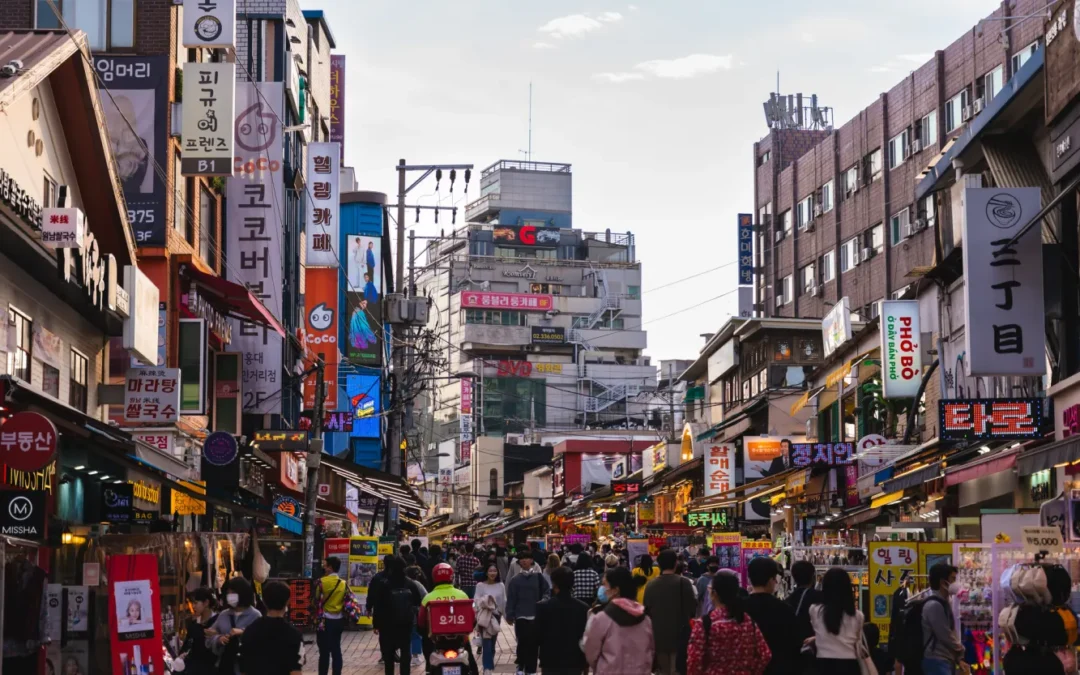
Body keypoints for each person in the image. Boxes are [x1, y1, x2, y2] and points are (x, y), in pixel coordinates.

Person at [686, 571, 771, 675]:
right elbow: (765, 655)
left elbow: (694, 661)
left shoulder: (705, 624)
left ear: (714, 593)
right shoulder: (747, 620)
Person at [583, 566, 654, 675]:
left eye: (604, 584)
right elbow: (650, 652)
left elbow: (591, 653)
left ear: (615, 590)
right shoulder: (645, 619)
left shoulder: (601, 619)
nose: (602, 588)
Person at [742, 556, 801, 675]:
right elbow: (794, 645)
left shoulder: (739, 608)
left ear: (749, 579)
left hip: (747, 668)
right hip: (778, 668)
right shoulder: (785, 609)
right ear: (771, 580)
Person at [644, 549, 698, 675]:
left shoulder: (651, 585)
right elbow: (692, 608)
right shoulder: (683, 582)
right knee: (677, 670)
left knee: (663, 671)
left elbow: (647, 611)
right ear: (675, 564)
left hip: (659, 636)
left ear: (659, 565)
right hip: (680, 635)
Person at [370, 556, 424, 675]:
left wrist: (376, 624)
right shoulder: (410, 583)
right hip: (405, 624)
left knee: (388, 655)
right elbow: (418, 602)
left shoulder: (384, 584)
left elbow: (378, 605)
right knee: (405, 652)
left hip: (387, 625)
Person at [237, 580, 302, 675]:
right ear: (288, 601)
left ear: (263, 601)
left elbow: (243, 669)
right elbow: (296, 671)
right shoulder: (294, 635)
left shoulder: (249, 631)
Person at [808, 567, 864, 674]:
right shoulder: (858, 616)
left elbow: (822, 630)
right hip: (850, 666)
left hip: (824, 665)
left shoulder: (815, 610)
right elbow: (857, 640)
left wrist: (816, 638)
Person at [535, 566, 589, 675]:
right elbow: (585, 637)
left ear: (554, 583)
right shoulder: (583, 608)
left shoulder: (543, 607)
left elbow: (537, 636)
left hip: (550, 660)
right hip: (574, 660)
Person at [506, 550, 551, 675]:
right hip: (521, 616)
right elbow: (511, 598)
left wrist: (544, 600)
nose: (524, 560)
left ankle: (531, 669)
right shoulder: (515, 580)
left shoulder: (539, 577)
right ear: (519, 562)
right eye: (522, 559)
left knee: (534, 644)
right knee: (522, 642)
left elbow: (547, 592)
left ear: (532, 561)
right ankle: (520, 666)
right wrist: (509, 614)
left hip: (535, 615)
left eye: (527, 558)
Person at [209, 577, 262, 675]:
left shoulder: (255, 615)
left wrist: (243, 632)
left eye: (233, 594)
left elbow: (261, 639)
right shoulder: (224, 615)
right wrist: (218, 639)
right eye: (228, 593)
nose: (230, 596)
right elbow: (209, 635)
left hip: (246, 669)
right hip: (224, 666)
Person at [922, 563, 964, 675]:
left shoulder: (944, 602)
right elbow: (945, 634)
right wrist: (960, 649)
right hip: (936, 659)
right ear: (943, 582)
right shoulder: (934, 605)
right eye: (953, 579)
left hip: (944, 659)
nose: (956, 583)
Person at [314, 557, 347, 675]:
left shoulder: (321, 582)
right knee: (336, 650)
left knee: (324, 652)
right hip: (338, 620)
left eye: (325, 565)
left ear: (330, 567)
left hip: (324, 621)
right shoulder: (343, 583)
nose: (324, 567)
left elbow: (317, 598)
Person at [176, 588, 218, 675]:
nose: (193, 606)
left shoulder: (218, 621)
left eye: (196, 603)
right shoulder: (193, 624)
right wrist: (182, 655)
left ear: (206, 603)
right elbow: (187, 645)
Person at [474, 563, 506, 675]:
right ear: (486, 572)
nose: (492, 573)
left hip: (496, 616)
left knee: (492, 643)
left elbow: (503, 601)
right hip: (485, 616)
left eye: (494, 571)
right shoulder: (480, 585)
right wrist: (485, 602)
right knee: (486, 642)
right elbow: (476, 600)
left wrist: (504, 614)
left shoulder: (501, 585)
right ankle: (487, 668)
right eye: (490, 571)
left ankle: (489, 665)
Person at [787, 559, 823, 642]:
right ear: (813, 576)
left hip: (794, 645)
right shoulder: (821, 597)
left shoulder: (788, 600)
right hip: (816, 645)